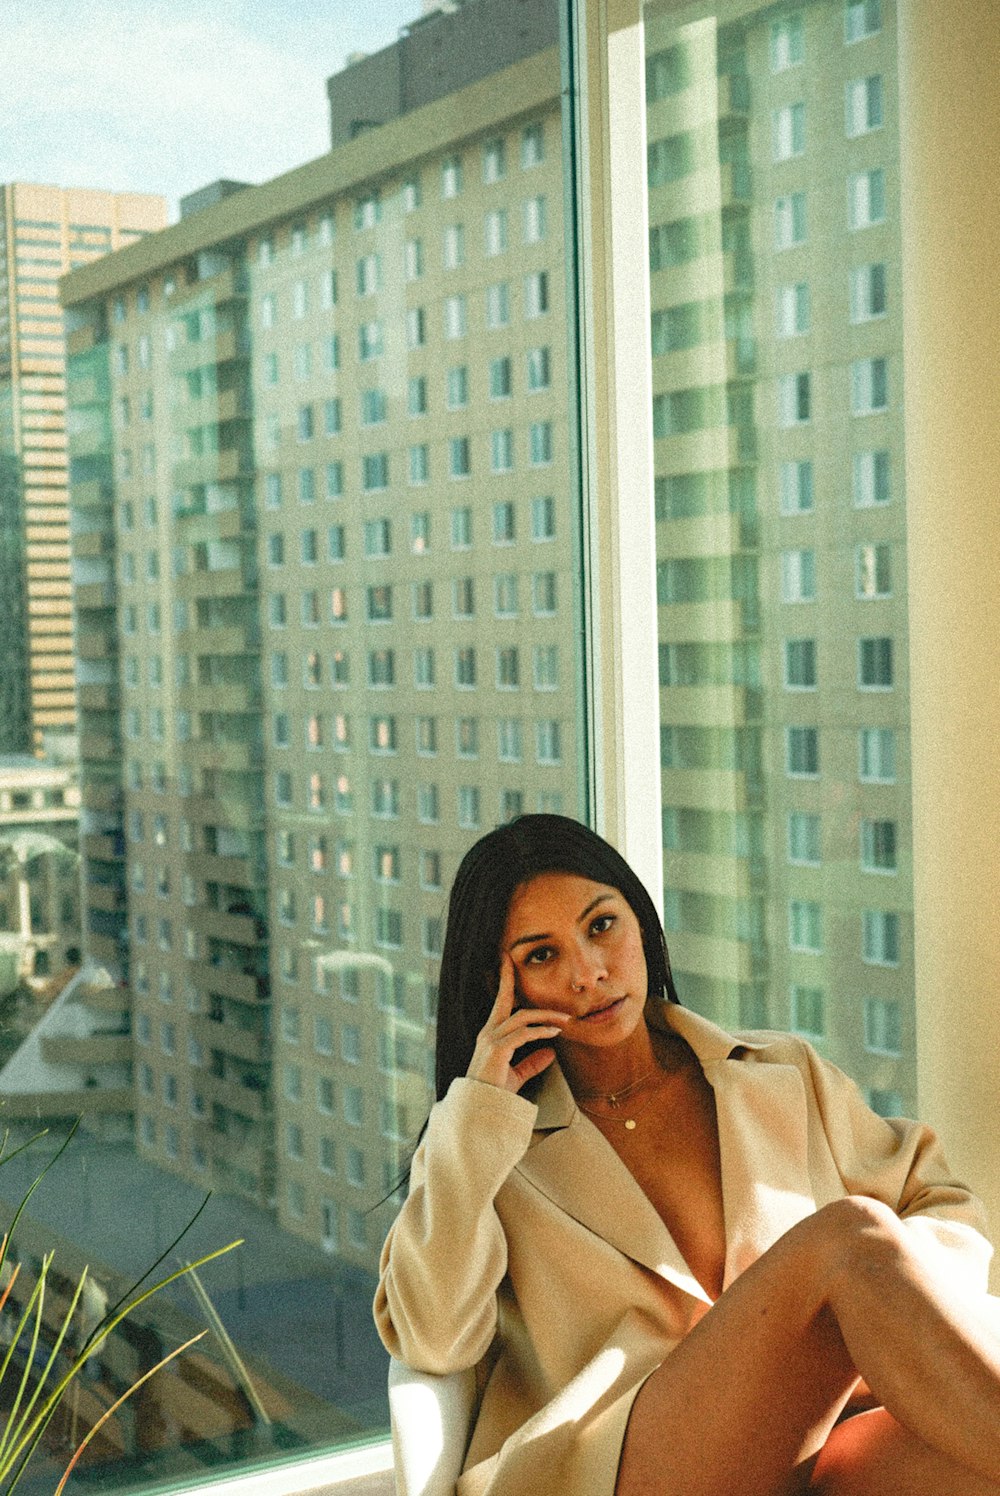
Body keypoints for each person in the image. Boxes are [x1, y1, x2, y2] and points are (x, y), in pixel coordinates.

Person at [374, 814, 1000, 1495]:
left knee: (963, 1459)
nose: (589, 972)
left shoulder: (779, 1074)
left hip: (801, 1453)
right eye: (542, 956)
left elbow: (940, 1203)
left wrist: (879, 1334)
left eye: (601, 925)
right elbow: (432, 1342)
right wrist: (478, 1116)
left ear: (640, 920)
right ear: (503, 985)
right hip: (615, 1468)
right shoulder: (486, 1146)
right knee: (849, 1236)